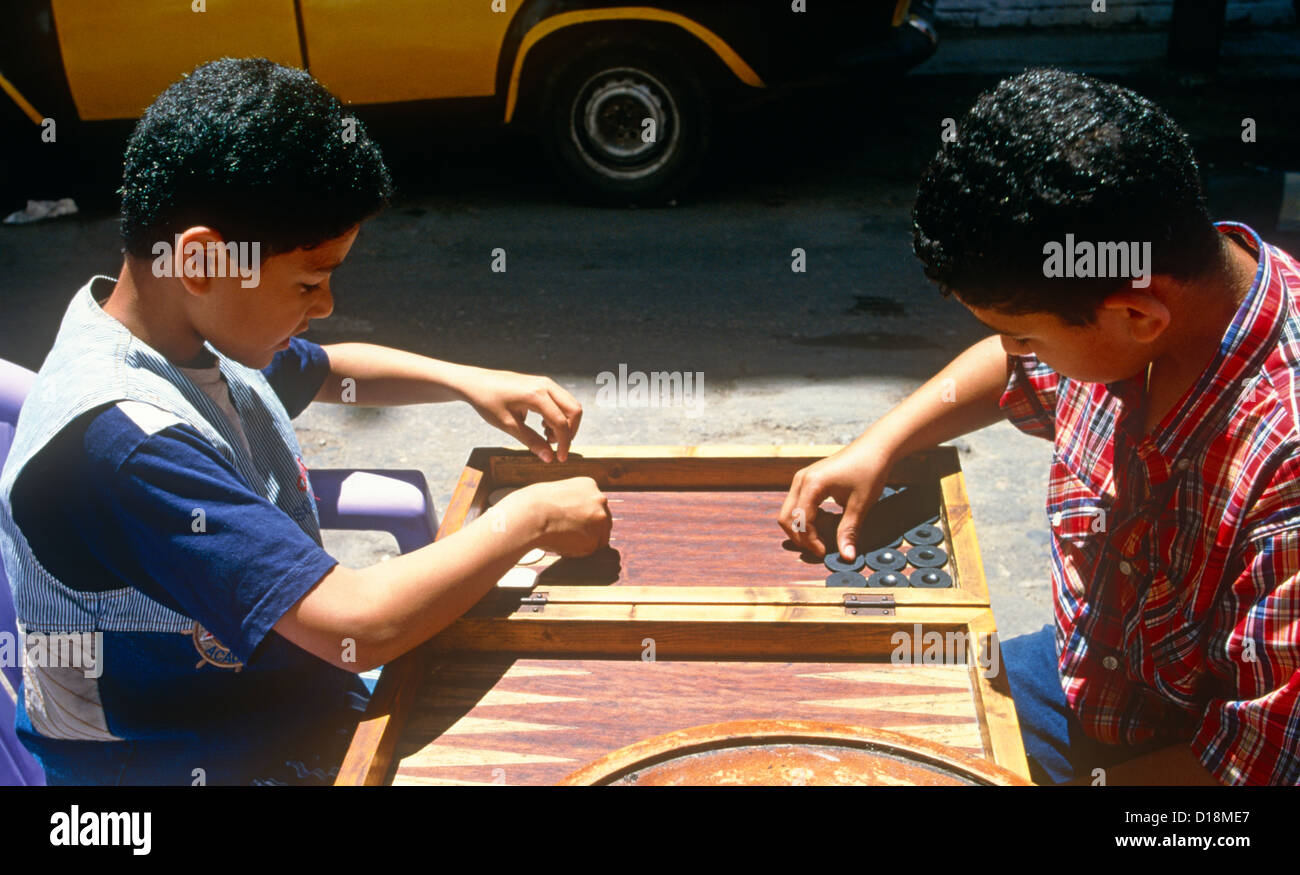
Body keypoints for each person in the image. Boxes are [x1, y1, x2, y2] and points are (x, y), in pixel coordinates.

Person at [0, 57, 611, 785]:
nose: (323, 305)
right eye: (310, 280)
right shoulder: (125, 446)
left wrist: (469, 381)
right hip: (180, 761)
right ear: (200, 262)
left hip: (285, 704)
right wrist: (530, 517)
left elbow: (328, 369)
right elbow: (356, 623)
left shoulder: (184, 332)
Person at [780, 68, 1299, 786]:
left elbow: (1250, 766)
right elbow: (1008, 369)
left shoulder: (1283, 468)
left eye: (1026, 336)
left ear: (1138, 314)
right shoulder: (1143, 305)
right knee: (847, 730)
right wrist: (884, 441)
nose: (1017, 353)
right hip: (1087, 675)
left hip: (1194, 771)